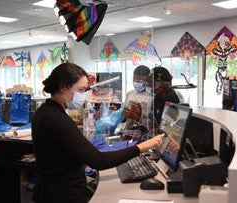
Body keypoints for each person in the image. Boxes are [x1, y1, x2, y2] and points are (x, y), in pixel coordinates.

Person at [32, 63, 163, 203]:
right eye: (81, 90)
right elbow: (98, 161)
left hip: (52, 191)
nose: (83, 95)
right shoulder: (57, 119)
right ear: (64, 87)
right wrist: (141, 148)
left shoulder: (45, 112)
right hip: (62, 195)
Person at [123, 65, 153, 131]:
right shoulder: (130, 94)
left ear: (147, 80)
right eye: (135, 80)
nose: (137, 83)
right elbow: (125, 113)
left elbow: (153, 119)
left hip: (146, 131)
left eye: (140, 81)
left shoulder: (152, 96)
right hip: (129, 130)